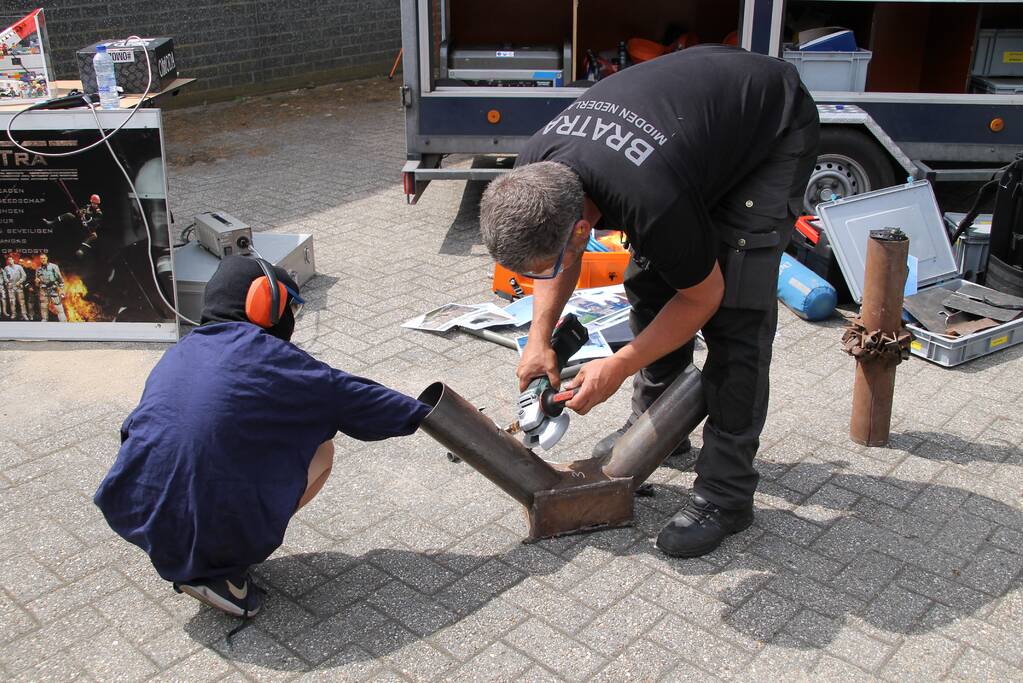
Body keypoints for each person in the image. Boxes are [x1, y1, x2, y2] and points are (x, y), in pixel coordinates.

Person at [479, 45, 820, 558]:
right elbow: (563, 259)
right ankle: (661, 433)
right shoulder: (534, 169)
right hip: (690, 136)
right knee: (651, 281)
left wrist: (619, 365)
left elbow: (704, 297)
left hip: (770, 124)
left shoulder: (649, 198)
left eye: (548, 263)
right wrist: (537, 340)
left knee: (736, 319)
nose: (543, 277)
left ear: (580, 229)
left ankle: (726, 495)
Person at [94, 256, 431, 618]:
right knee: (322, 451)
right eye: (289, 307)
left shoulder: (181, 351)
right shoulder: (280, 361)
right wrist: (434, 415)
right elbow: (367, 401)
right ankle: (222, 571)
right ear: (264, 305)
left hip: (138, 510)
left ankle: (187, 546)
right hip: (201, 522)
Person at [35, 253, 66, 322]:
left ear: (47, 258)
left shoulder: (54, 267)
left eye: (44, 258)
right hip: (43, 290)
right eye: (41, 258)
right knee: (43, 307)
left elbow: (60, 279)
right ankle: (44, 321)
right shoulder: (38, 269)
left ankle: (64, 322)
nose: (43, 260)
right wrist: (37, 282)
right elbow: (37, 284)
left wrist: (61, 289)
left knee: (58, 307)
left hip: (53, 289)